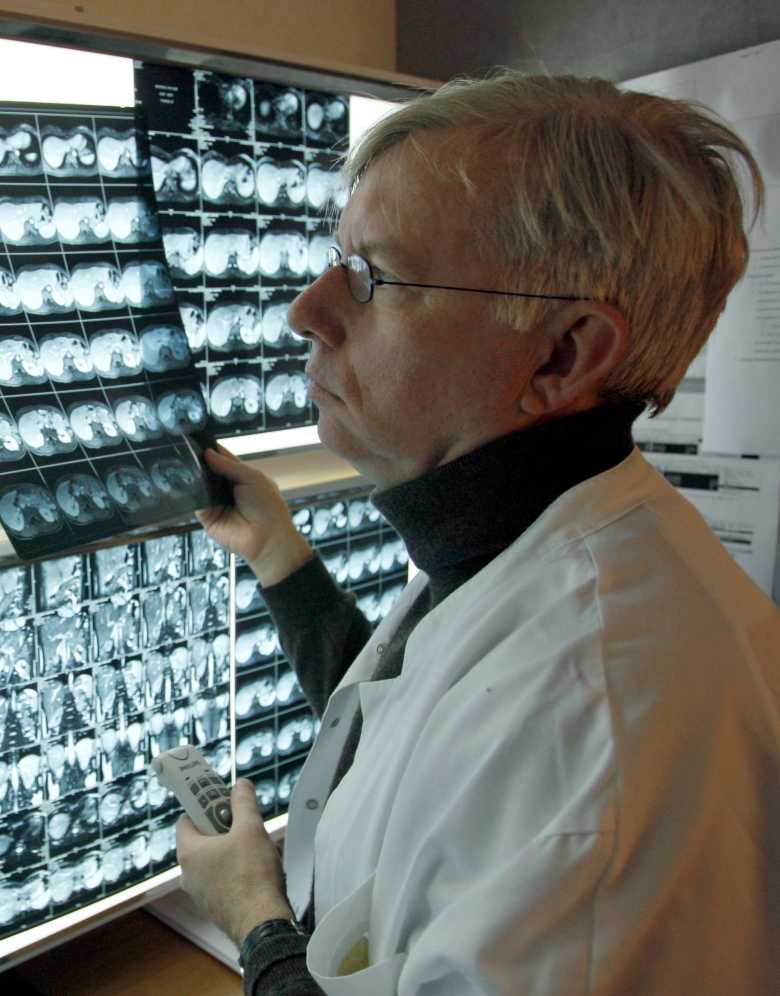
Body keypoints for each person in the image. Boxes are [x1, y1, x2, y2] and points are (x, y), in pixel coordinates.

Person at [175, 72, 780, 995]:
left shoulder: (591, 726)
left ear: (562, 353)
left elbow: (498, 747)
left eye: (373, 276)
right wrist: (278, 556)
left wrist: (255, 922)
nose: (308, 308)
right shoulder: (538, 530)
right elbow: (427, 725)